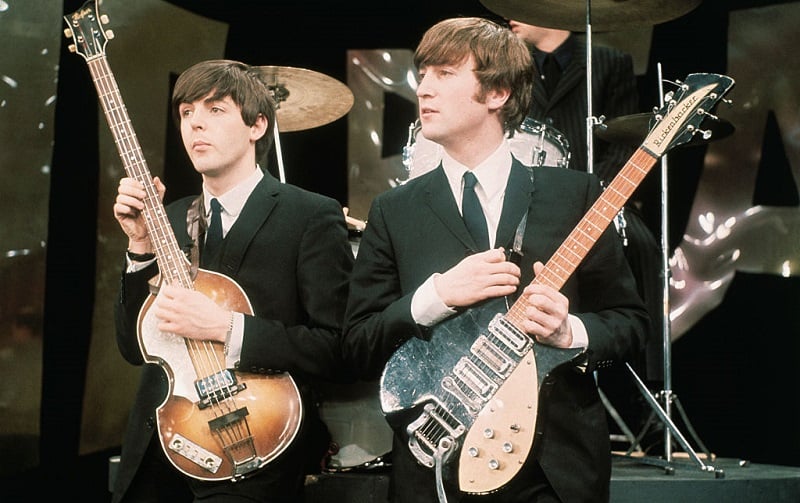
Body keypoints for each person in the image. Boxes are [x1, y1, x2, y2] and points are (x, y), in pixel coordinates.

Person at [342, 16, 649, 503]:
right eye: (424, 74)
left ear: (498, 93)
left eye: (444, 74)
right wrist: (436, 297)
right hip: (437, 466)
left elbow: (631, 325)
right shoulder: (393, 210)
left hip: (555, 472)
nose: (424, 88)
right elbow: (356, 345)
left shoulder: (574, 195)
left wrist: (572, 333)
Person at [111, 59, 353, 502]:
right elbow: (133, 348)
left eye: (215, 110)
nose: (195, 124)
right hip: (158, 448)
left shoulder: (310, 215)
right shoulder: (166, 219)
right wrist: (139, 250)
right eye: (186, 113)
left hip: (253, 448)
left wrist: (225, 328)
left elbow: (337, 347)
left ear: (258, 125)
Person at [509, 21, 665, 395]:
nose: (508, 12)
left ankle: (650, 385)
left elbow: (626, 143)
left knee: (642, 247)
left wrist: (598, 198)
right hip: (529, 201)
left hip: (598, 196)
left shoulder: (608, 61)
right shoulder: (511, 63)